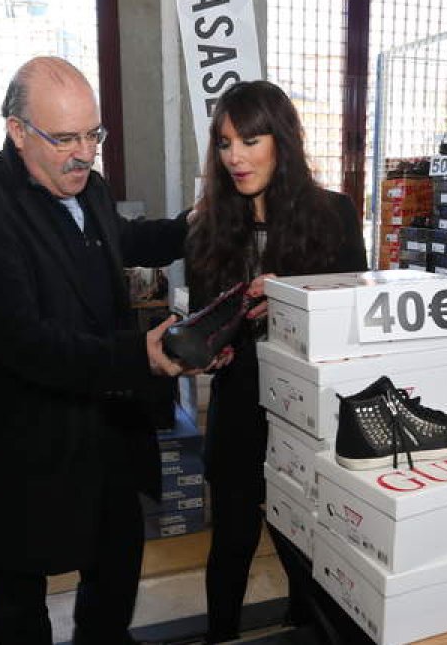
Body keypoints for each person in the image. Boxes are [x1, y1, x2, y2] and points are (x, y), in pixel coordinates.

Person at [0, 56, 194, 645]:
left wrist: (190, 227)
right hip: (22, 451)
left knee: (114, 580)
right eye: (65, 138)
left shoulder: (86, 183)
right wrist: (138, 358)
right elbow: (24, 342)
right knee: (18, 612)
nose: (84, 153)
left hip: (103, 435)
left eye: (93, 135)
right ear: (17, 131)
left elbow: (118, 240)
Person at [184, 80, 368, 643]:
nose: (235, 157)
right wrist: (214, 336)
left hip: (310, 415)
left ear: (282, 140)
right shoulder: (207, 227)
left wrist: (291, 301)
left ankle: (303, 626)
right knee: (233, 542)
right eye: (224, 143)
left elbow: (354, 321)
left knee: (306, 542)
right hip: (240, 405)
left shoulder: (334, 215)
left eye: (251, 140)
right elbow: (207, 329)